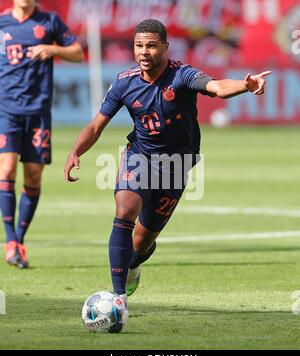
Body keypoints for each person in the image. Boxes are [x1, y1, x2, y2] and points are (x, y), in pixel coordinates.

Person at [64, 19, 271, 307]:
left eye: (150, 45)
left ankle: (135, 263)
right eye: (138, 46)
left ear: (165, 47)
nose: (144, 52)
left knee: (141, 243)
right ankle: (118, 298)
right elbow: (96, 126)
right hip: (139, 157)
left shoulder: (182, 75)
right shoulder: (124, 82)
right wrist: (76, 151)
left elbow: (217, 87)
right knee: (125, 210)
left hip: (176, 165)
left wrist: (245, 85)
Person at [0, 0, 83, 268]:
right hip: (6, 109)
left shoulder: (50, 22)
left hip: (38, 112)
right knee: (7, 169)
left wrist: (52, 49)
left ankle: (18, 243)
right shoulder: (2, 23)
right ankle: (10, 239)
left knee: (33, 176)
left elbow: (78, 53)